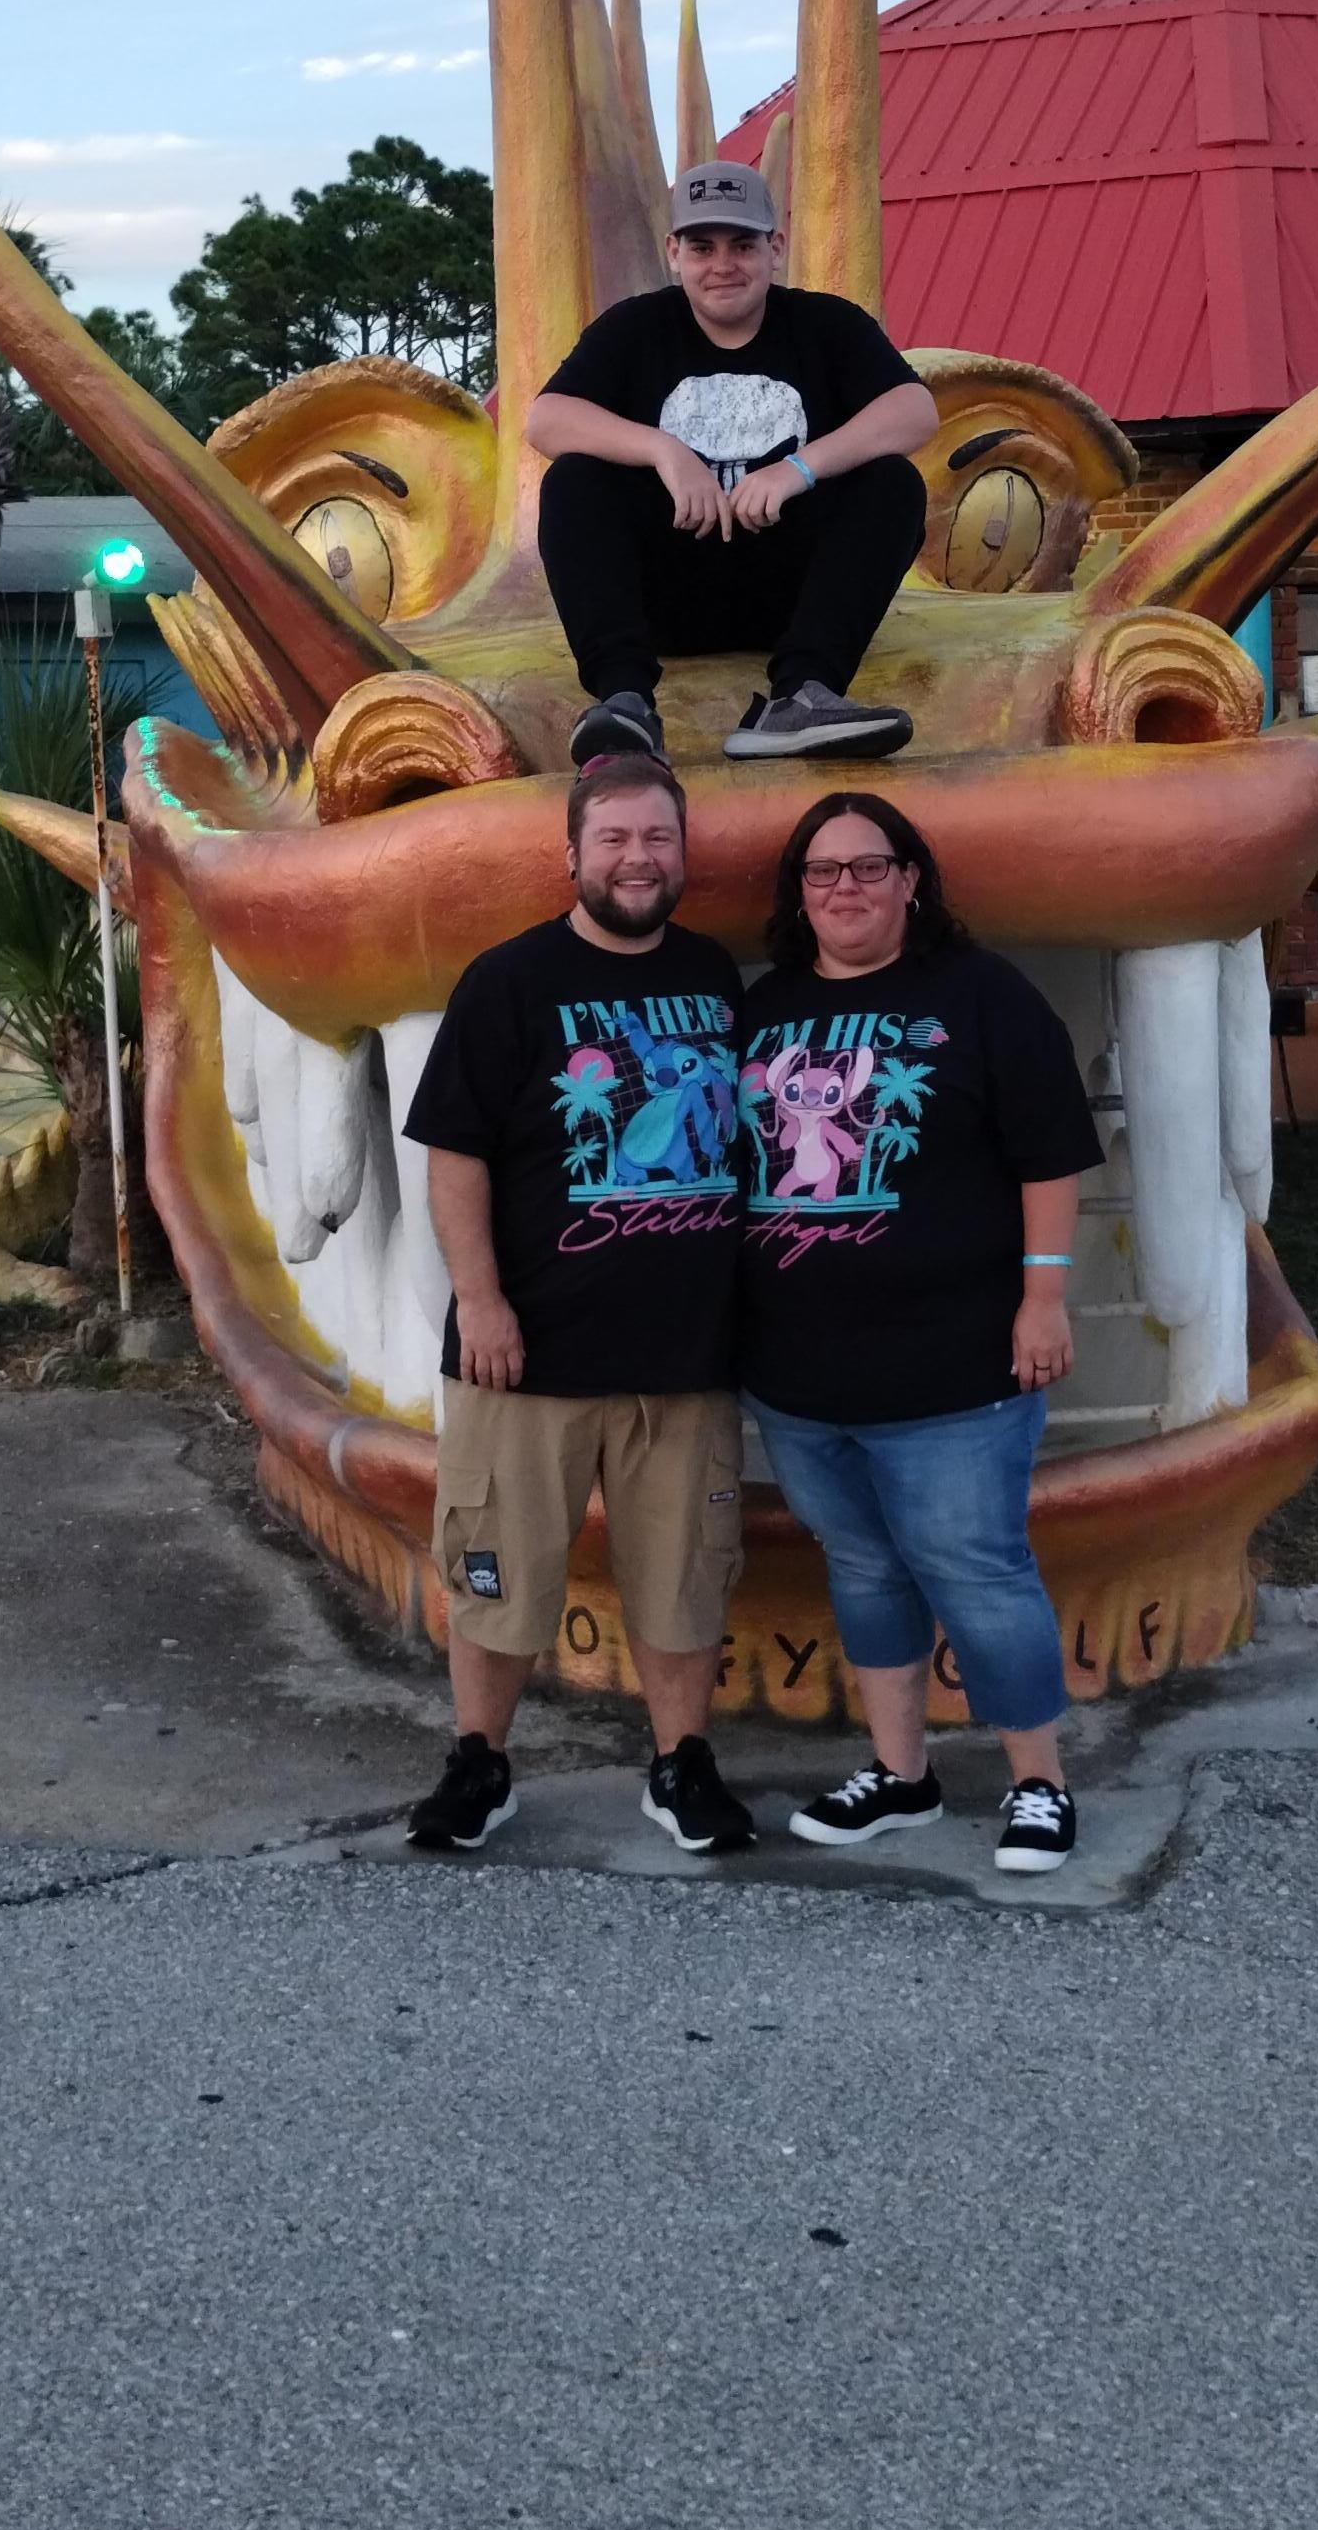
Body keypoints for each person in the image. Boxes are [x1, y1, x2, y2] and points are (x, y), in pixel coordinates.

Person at [735, 789, 1102, 1872]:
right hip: (799, 1377)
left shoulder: (982, 996)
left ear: (911, 881)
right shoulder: (764, 1012)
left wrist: (1043, 1297)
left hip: (956, 1371)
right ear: (797, 896)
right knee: (863, 1569)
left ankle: (1038, 1784)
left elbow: (1049, 1158)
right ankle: (900, 1777)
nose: (843, 887)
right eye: (821, 871)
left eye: (866, 866)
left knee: (976, 1570)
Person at [402, 752, 757, 1858]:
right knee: (497, 1575)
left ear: (683, 853)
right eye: (613, 839)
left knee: (685, 1579)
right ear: (571, 854)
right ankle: (480, 1763)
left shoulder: (712, 975)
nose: (636, 858)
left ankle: (681, 1763)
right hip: (529, 1353)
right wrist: (481, 1303)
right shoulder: (507, 982)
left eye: (656, 839)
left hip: (685, 1355)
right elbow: (454, 1156)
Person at [525, 154, 937, 769]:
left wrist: (797, 469)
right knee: (572, 482)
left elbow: (914, 411)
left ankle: (800, 697)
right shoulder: (635, 328)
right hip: (670, 588)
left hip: (790, 592)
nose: (722, 265)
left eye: (741, 245)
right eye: (702, 246)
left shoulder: (827, 325)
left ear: (775, 248)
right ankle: (626, 703)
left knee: (893, 484)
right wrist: (665, 451)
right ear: (674, 252)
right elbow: (545, 420)